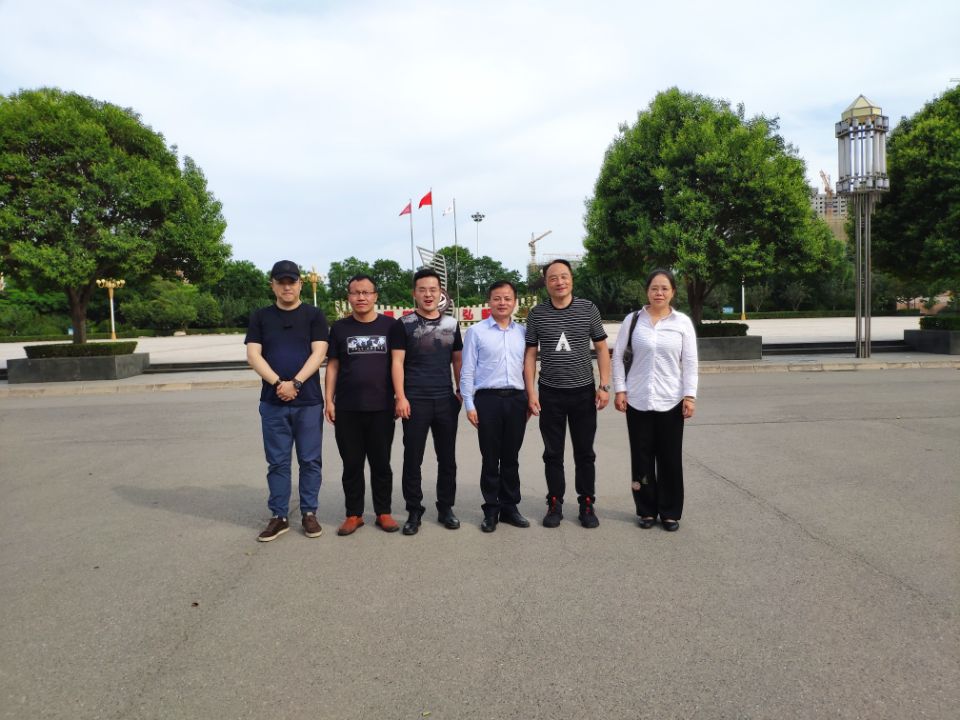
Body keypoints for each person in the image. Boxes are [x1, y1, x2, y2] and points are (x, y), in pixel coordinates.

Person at [245, 260, 329, 542]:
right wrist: (278, 383)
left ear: (300, 284)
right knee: (278, 462)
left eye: (291, 282)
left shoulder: (314, 315)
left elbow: (319, 353)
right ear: (273, 285)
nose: (286, 287)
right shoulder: (261, 317)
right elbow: (253, 355)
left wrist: (296, 383)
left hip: (308, 401)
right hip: (273, 401)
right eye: (280, 282)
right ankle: (279, 516)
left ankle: (309, 513)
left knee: (310, 460)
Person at [524, 259, 611, 528]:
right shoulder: (537, 314)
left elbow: (601, 348)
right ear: (546, 283)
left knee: (585, 453)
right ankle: (555, 503)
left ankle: (587, 503)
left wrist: (604, 386)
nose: (559, 282)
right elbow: (530, 355)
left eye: (564, 276)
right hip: (550, 394)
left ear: (572, 279)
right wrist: (531, 392)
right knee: (553, 453)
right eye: (553, 278)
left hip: (583, 393)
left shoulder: (588, 309)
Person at [611, 268, 698, 532]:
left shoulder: (682, 323)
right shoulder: (633, 320)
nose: (659, 293)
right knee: (641, 457)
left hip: (671, 399)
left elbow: (690, 362)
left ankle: (670, 512)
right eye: (654, 288)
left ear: (673, 292)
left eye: (664, 288)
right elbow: (618, 357)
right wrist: (620, 390)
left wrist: (690, 396)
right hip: (637, 399)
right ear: (647, 291)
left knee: (670, 458)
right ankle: (646, 510)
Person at [325, 274, 406, 536]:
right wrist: (328, 400)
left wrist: (400, 396)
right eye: (355, 292)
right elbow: (333, 366)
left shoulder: (391, 326)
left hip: (381, 407)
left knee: (381, 463)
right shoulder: (339, 328)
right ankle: (354, 514)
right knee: (352, 463)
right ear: (349, 297)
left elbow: (398, 363)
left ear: (375, 296)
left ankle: (383, 512)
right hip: (347, 407)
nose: (361, 297)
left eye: (366, 292)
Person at [392, 268, 464, 535]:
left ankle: (446, 508)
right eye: (422, 289)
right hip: (414, 401)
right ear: (415, 293)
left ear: (440, 292)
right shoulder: (404, 324)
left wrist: (461, 391)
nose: (428, 294)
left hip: (445, 399)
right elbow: (397, 362)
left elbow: (457, 360)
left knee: (447, 459)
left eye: (433, 289)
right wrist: (401, 397)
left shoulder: (451, 325)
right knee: (413, 458)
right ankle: (414, 511)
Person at [459, 280, 531, 533]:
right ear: (489, 301)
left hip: (517, 400)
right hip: (487, 400)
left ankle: (510, 507)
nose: (502, 303)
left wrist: (530, 398)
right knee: (490, 458)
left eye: (507, 298)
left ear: (515, 302)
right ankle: (491, 509)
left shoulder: (523, 332)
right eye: (497, 298)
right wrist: (469, 404)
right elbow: (467, 370)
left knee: (511, 457)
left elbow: (528, 368)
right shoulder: (476, 332)